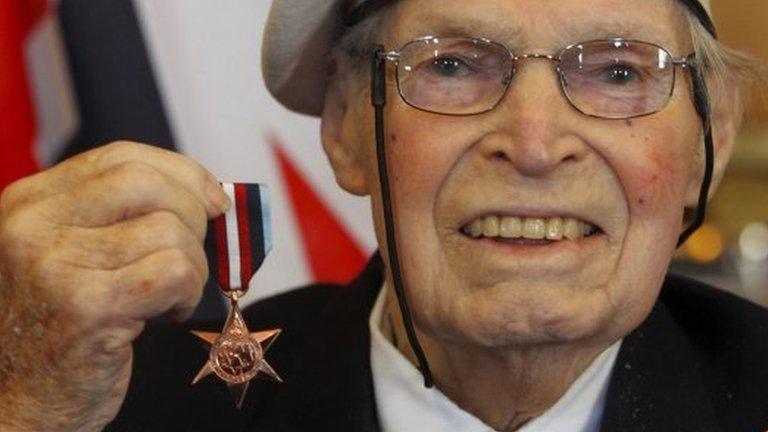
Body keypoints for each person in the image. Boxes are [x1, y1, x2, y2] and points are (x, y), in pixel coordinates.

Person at [0, 0, 766, 431]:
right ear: (342, 128)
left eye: (620, 71)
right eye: (453, 64)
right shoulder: (113, 413)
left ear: (709, 144)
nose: (535, 145)